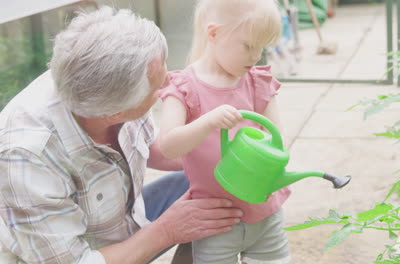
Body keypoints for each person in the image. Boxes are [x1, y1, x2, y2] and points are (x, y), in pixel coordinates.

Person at [0, 6, 243, 264]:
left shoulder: (103, 73)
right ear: (114, 113)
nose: (170, 84)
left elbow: (153, 147)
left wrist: (223, 156)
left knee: (211, 183)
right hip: (83, 255)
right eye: (157, 86)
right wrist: (168, 230)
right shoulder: (26, 155)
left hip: (125, 222)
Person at [157, 0, 291, 263]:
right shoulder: (184, 88)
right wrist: (207, 122)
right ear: (214, 33)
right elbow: (168, 145)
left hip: (265, 212)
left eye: (261, 48)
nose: (255, 57)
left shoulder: (257, 82)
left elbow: (278, 143)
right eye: (248, 46)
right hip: (214, 219)